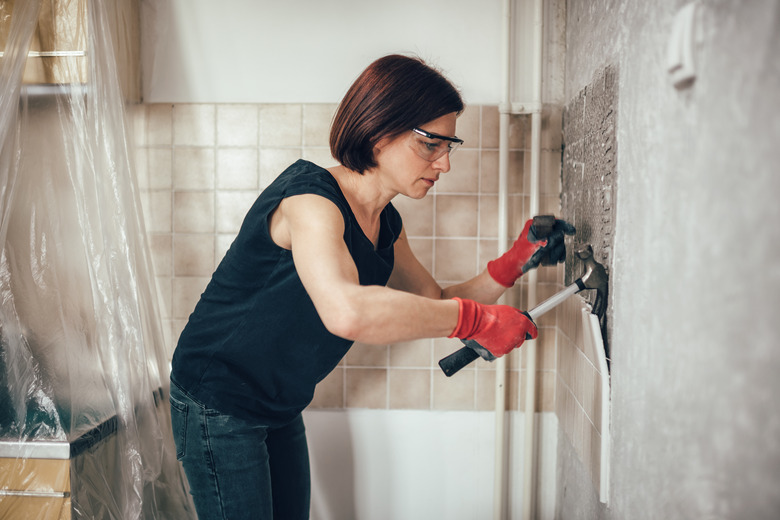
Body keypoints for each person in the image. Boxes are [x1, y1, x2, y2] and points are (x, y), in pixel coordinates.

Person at [168, 54, 573, 520]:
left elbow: (436, 302)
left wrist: (513, 263)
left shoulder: (387, 224)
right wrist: (475, 321)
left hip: (277, 401)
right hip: (217, 399)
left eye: (449, 146)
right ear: (380, 132)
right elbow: (347, 311)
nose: (444, 164)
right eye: (431, 145)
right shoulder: (310, 201)